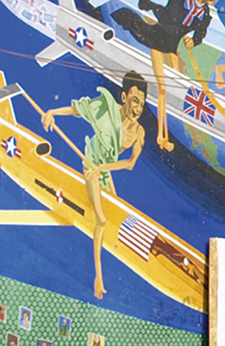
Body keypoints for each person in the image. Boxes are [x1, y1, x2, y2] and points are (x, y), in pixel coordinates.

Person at [110, 0, 223, 151]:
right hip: (157, 38)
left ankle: (170, 128)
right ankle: (162, 136)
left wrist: (194, 42)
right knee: (162, 89)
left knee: (178, 85)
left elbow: (200, 33)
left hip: (172, 45)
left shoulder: (205, 15)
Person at [42, 75, 149, 299]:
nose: (138, 108)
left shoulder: (139, 132)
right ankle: (98, 276)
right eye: (134, 100)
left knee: (116, 211)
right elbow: (78, 109)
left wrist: (103, 170)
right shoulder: (105, 108)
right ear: (123, 97)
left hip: (102, 169)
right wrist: (52, 113)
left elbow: (129, 164)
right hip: (91, 163)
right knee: (101, 220)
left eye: (142, 102)